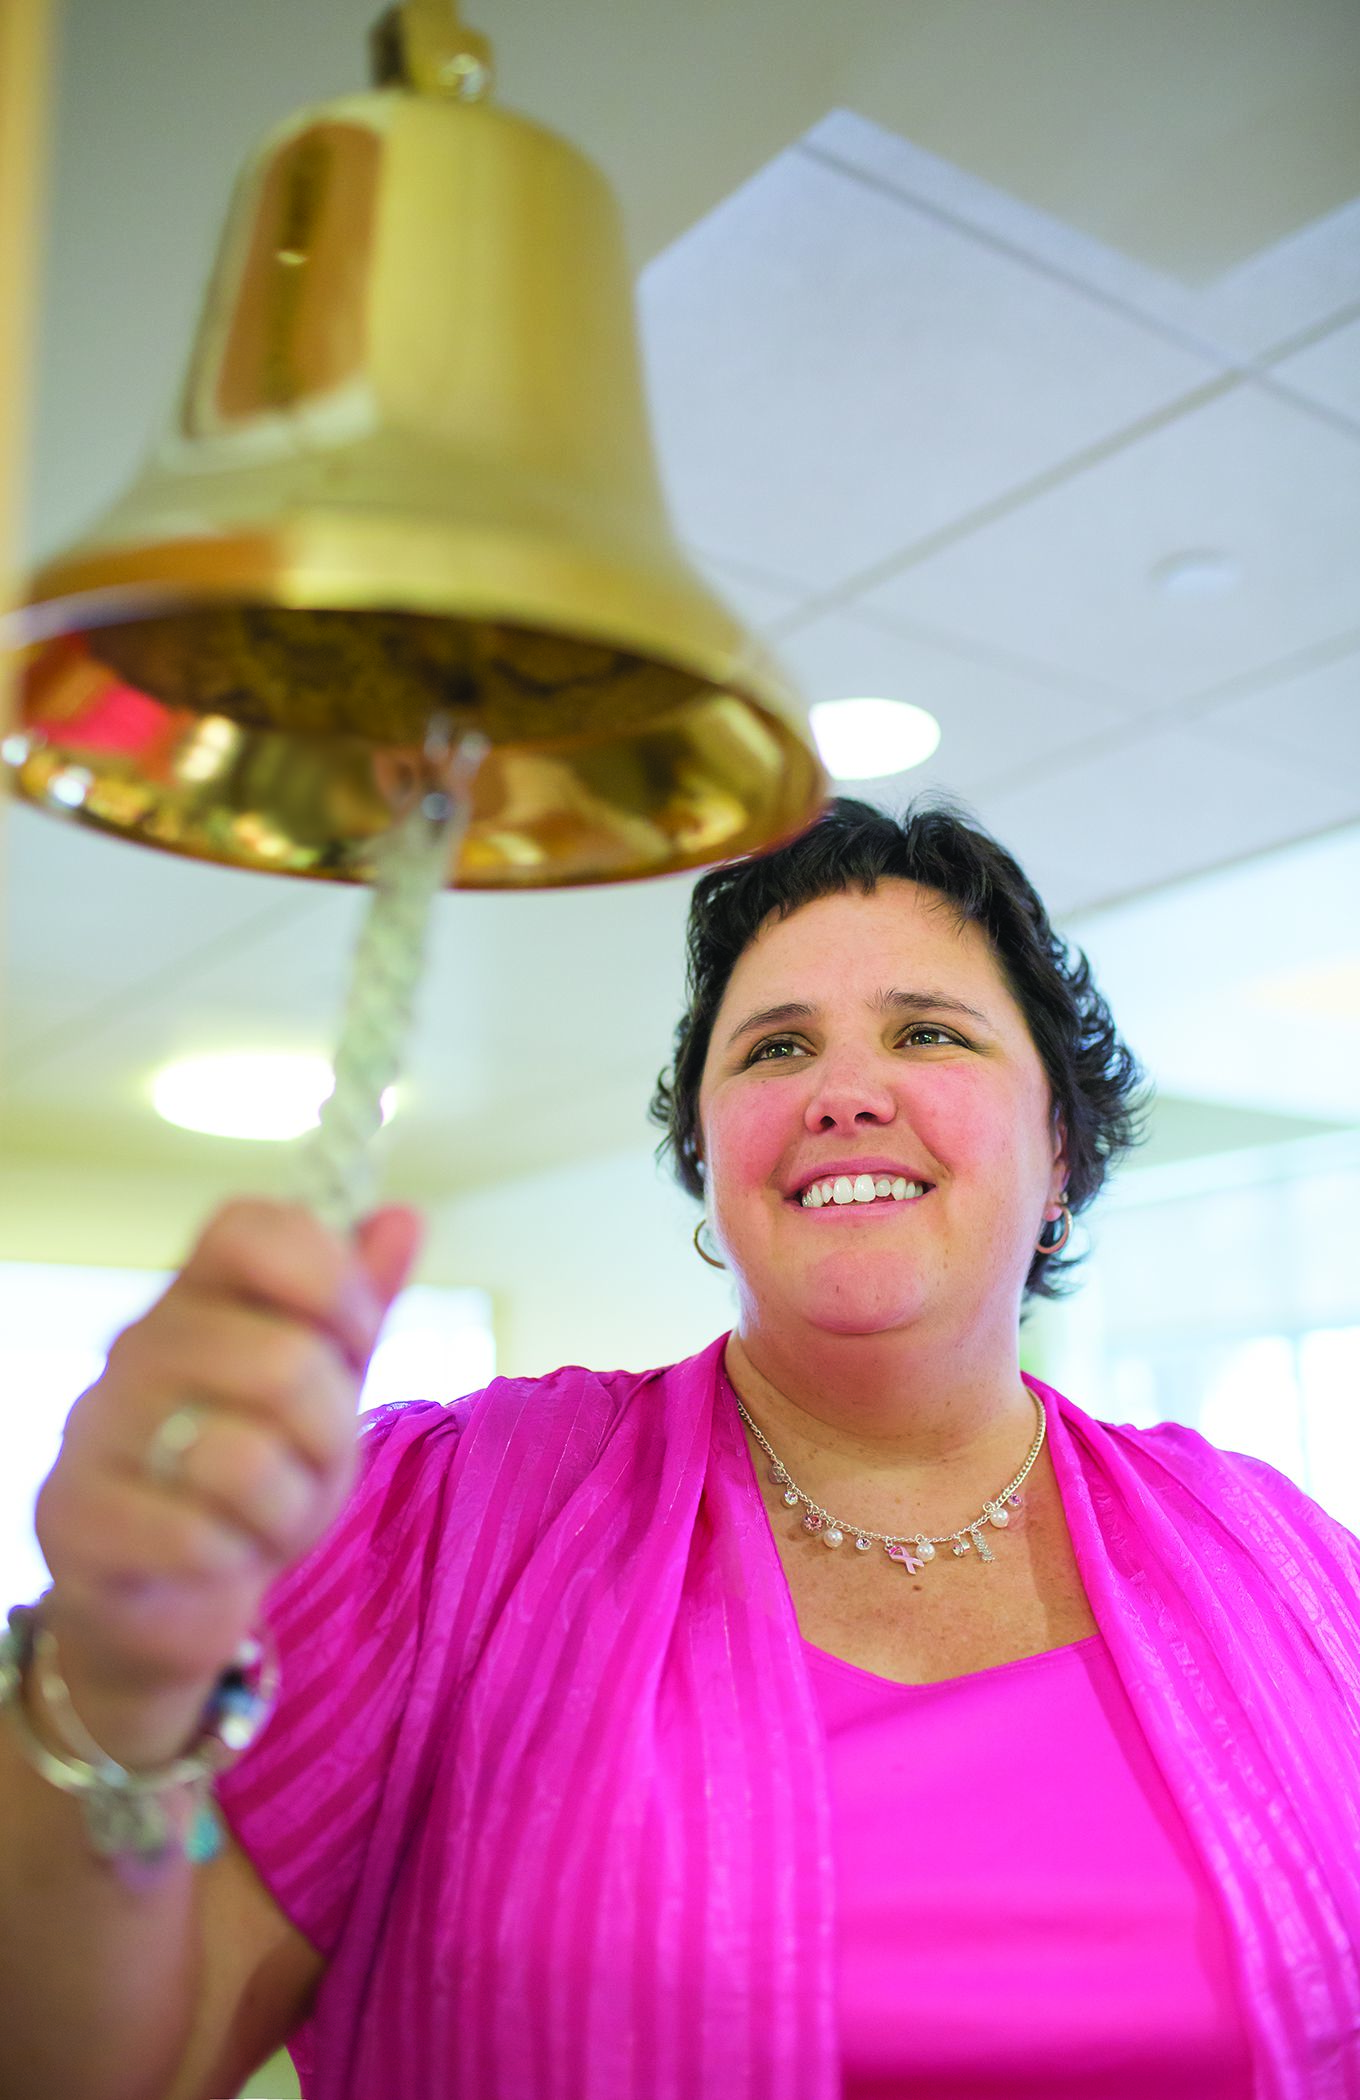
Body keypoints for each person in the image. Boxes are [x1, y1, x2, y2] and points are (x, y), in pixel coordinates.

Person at [2, 795, 1359, 2100]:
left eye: (930, 1034)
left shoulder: (1289, 1574)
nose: (843, 1092)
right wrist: (108, 1680)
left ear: (1059, 1150)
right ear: (710, 1164)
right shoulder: (441, 1528)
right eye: (773, 1048)